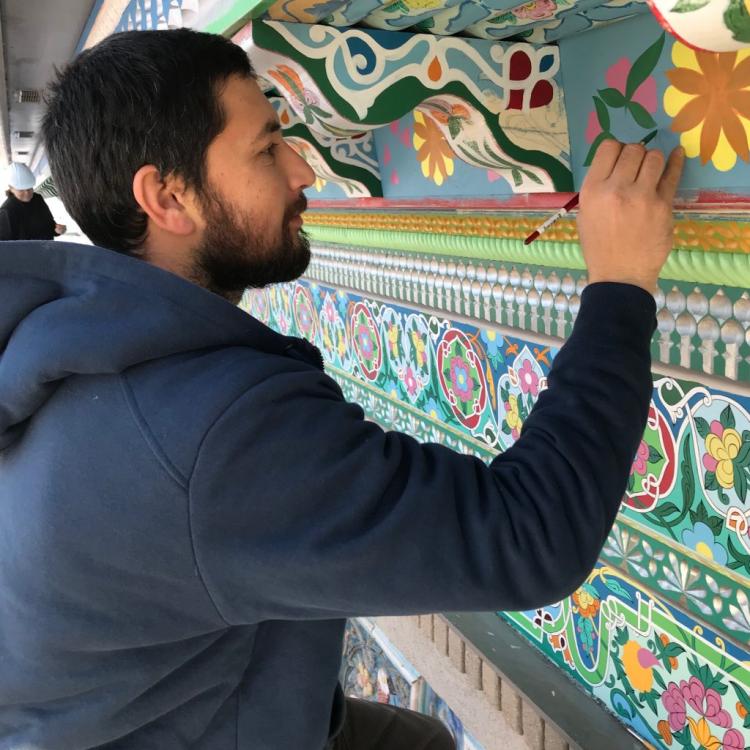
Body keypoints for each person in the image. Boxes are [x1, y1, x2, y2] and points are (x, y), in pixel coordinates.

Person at [0, 28, 683, 750]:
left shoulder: (73, 354)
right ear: (168, 197)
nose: (303, 171)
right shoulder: (207, 435)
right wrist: (620, 283)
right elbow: (529, 537)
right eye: (266, 149)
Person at [0, 161, 66, 240]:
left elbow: (50, 225)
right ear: (11, 189)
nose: (27, 193)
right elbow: (5, 245)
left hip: (46, 249)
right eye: (21, 190)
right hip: (26, 252)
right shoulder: (6, 211)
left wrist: (58, 230)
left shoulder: (37, 199)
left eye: (29, 188)